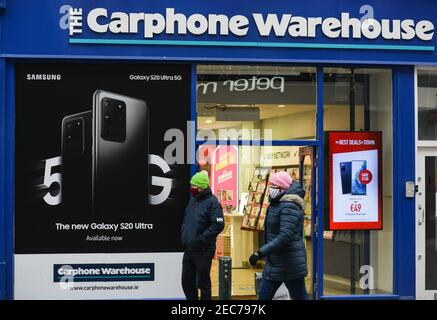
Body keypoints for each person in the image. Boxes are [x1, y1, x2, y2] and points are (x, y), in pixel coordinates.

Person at [249, 171, 309, 300]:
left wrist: (260, 253)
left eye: (273, 185)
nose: (270, 188)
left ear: (282, 188)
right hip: (275, 263)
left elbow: (285, 237)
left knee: (299, 296)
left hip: (289, 263)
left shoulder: (289, 206)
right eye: (270, 184)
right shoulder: (277, 203)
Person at [181, 171, 225, 300]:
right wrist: (185, 235)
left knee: (203, 283)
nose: (191, 188)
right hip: (189, 248)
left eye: (194, 186)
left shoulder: (213, 202)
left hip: (203, 249)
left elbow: (218, 225)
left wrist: (201, 239)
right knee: (186, 281)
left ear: (201, 187)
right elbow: (186, 219)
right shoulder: (193, 200)